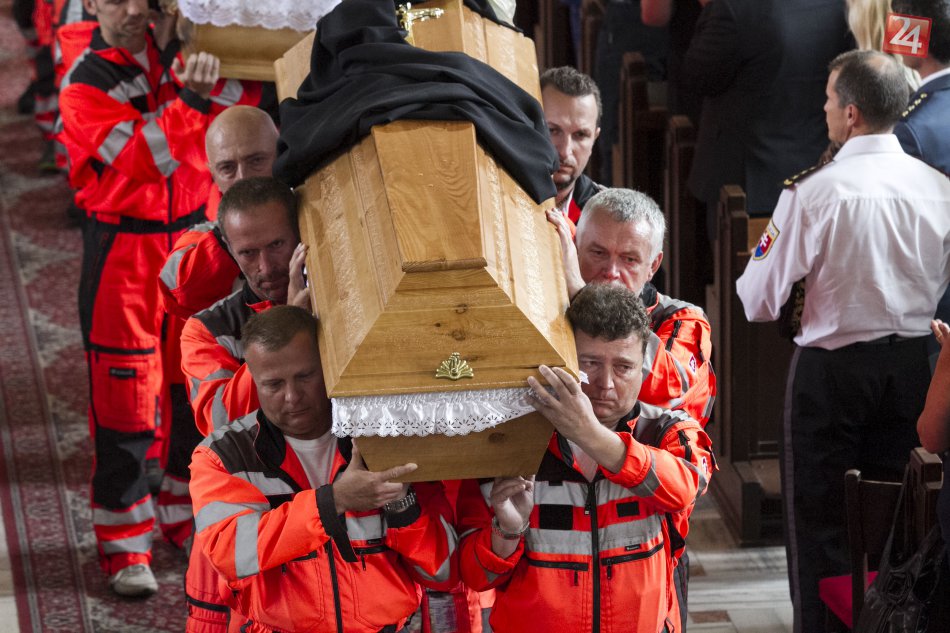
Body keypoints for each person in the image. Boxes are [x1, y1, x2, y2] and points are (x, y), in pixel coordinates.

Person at [735, 49, 950, 633]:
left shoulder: (812, 193)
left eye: (829, 99)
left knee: (819, 526)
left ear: (851, 113)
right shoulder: (938, 188)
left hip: (830, 375)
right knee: (898, 524)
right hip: (913, 370)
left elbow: (756, 299)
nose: (825, 108)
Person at [58, 0, 222, 596]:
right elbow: (148, 156)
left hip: (193, 241)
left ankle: (183, 512)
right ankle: (125, 545)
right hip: (123, 251)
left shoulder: (181, 50)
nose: (131, 10)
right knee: (124, 402)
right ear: (91, 3)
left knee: (194, 386)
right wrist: (194, 100)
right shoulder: (83, 82)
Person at [457, 283, 713, 632]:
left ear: (642, 369)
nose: (604, 383)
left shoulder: (668, 431)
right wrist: (507, 532)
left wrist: (588, 433)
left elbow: (683, 490)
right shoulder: (508, 444)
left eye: (623, 367)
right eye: (590, 363)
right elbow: (475, 578)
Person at [190, 305, 458, 632]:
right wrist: (333, 502)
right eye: (274, 384)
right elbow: (232, 554)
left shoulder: (387, 436)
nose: (292, 396)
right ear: (253, 382)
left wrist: (402, 504)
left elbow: (443, 572)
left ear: (329, 366)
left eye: (305, 376)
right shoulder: (222, 456)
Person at [180, 176, 307, 437]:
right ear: (229, 248)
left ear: (299, 232)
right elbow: (222, 424)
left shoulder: (336, 299)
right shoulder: (206, 330)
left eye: (276, 245)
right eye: (248, 253)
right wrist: (288, 323)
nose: (266, 267)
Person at [539, 66, 603, 229]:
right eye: (552, 130)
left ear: (594, 138)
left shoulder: (607, 217)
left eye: (580, 134)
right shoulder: (495, 192)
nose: (565, 151)